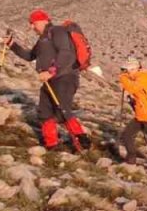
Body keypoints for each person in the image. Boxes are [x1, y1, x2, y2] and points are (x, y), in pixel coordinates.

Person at [6, 11, 90, 151]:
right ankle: (51, 144)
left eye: (33, 23)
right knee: (44, 112)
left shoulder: (57, 31)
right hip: (50, 80)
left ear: (43, 20)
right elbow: (29, 56)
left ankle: (82, 140)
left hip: (65, 77)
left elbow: (66, 53)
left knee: (62, 110)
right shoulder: (42, 40)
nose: (32, 27)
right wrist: (12, 45)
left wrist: (51, 71)